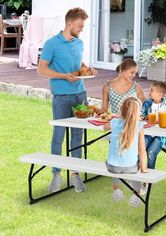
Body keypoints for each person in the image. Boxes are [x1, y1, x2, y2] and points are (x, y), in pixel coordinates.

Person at [37, 8, 96, 193]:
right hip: (61, 95)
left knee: (78, 134)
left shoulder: (79, 43)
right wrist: (63, 76)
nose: (81, 29)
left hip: (80, 93)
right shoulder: (51, 44)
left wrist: (88, 69)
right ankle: (56, 174)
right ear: (70, 23)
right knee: (59, 134)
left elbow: (78, 65)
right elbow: (41, 69)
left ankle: (75, 175)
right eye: (79, 26)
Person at [104, 97, 147, 207]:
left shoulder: (114, 122)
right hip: (131, 168)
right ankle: (136, 195)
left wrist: (117, 117)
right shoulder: (139, 126)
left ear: (121, 109)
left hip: (112, 167)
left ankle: (116, 190)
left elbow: (105, 127)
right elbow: (142, 152)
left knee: (113, 160)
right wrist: (144, 170)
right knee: (135, 164)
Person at [142, 81, 166, 170]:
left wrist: (160, 120)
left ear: (159, 94)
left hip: (159, 136)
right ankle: (138, 173)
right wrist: (144, 117)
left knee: (151, 152)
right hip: (147, 134)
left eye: (152, 90)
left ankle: (148, 178)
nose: (149, 92)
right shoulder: (147, 103)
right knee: (140, 150)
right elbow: (141, 115)